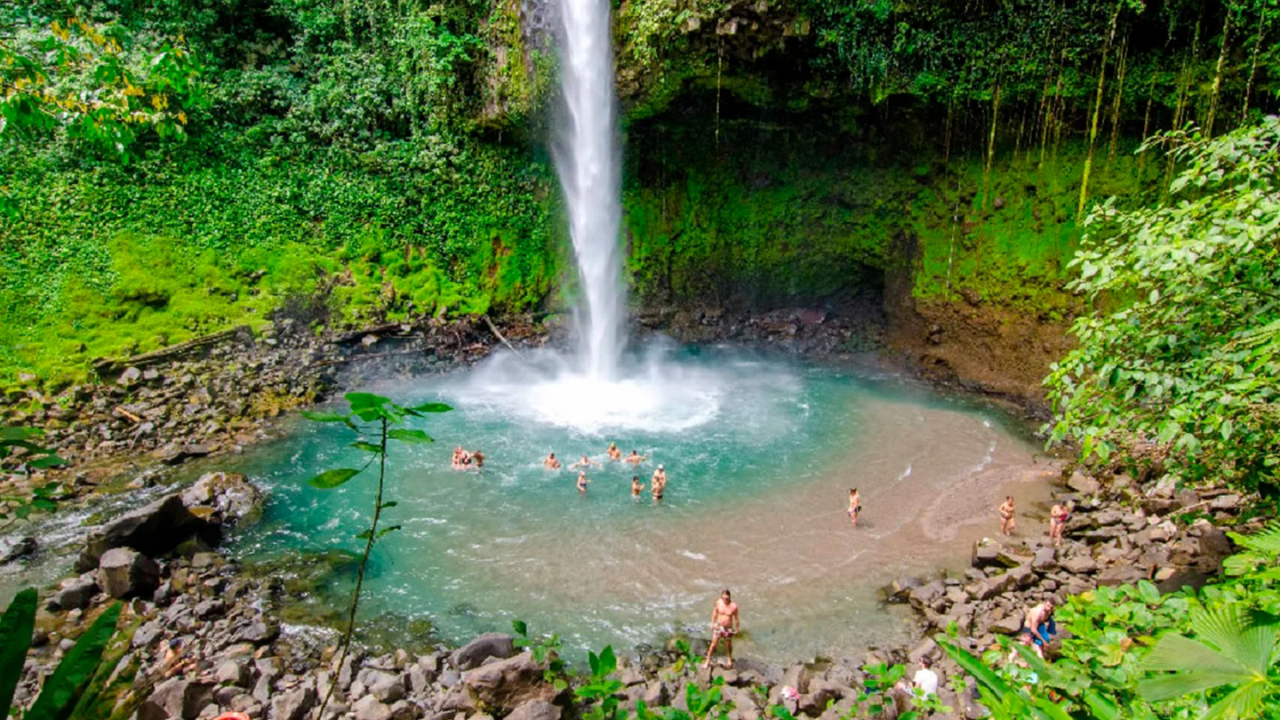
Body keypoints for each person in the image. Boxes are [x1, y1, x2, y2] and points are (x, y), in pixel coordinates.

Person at [703, 589, 740, 669]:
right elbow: (715, 612)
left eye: (726, 598)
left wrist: (737, 629)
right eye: (723, 598)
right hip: (719, 626)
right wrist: (712, 623)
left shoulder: (733, 606)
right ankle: (708, 660)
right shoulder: (719, 603)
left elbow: (736, 619)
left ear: (729, 597)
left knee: (728, 645)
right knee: (713, 644)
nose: (725, 600)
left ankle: (729, 658)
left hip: (728, 628)